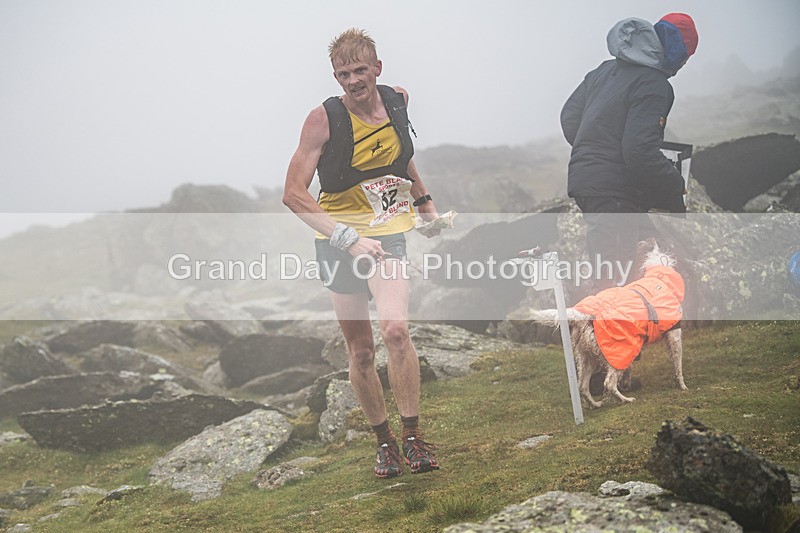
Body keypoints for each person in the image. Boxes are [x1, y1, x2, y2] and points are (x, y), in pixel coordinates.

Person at [282, 28, 440, 479]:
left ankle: (413, 436)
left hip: (388, 232)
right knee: (363, 351)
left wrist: (423, 198)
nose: (352, 81)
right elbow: (293, 194)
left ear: (377, 69)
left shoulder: (396, 101)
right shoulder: (322, 120)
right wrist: (345, 238)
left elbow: (398, 155)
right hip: (336, 238)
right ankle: (385, 444)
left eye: (359, 71)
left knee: (394, 329)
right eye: (343, 74)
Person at [561, 13, 699, 291]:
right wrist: (676, 185)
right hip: (613, 193)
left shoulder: (603, 71)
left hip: (589, 185)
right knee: (614, 282)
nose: (684, 64)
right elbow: (639, 151)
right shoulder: (654, 84)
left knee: (653, 253)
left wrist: (595, 153)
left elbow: (569, 117)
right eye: (686, 56)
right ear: (676, 50)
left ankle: (646, 326)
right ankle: (605, 330)